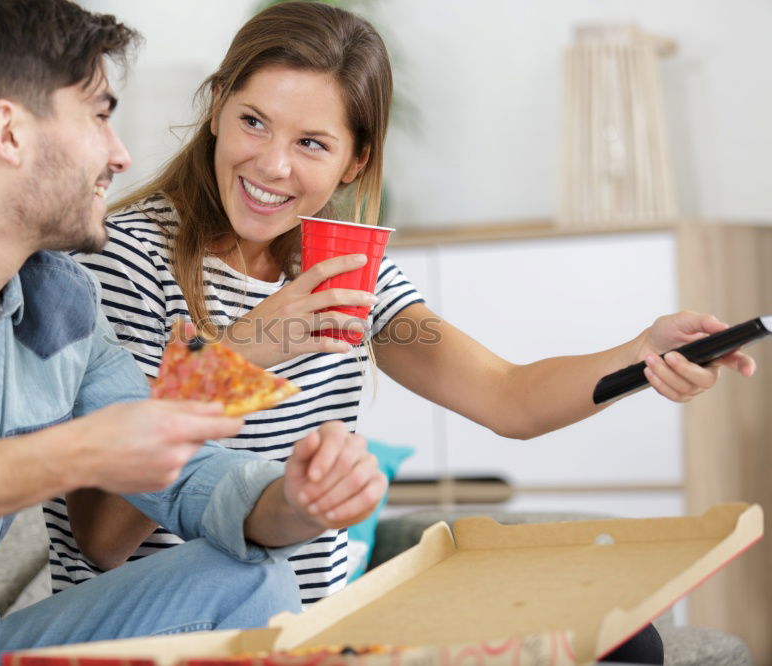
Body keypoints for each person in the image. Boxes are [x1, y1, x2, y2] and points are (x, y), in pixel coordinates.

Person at [48, 2, 757, 661]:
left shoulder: (344, 267)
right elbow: (105, 537)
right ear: (216, 111)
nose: (272, 165)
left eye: (313, 143)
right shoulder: (125, 258)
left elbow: (509, 397)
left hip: (325, 627)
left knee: (623, 643)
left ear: (355, 160)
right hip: (192, 632)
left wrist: (638, 354)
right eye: (253, 122)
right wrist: (241, 353)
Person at [0, 1, 388, 664]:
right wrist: (71, 453)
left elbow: (188, 481)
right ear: (8, 132)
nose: (121, 155)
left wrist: (296, 501)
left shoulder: (60, 303)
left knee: (250, 576)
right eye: (99, 115)